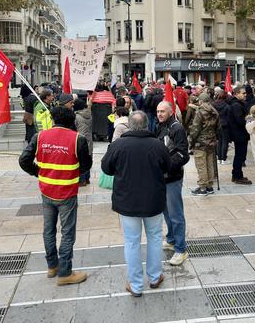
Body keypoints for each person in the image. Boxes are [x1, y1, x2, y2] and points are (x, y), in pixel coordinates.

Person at [19, 106, 92, 285]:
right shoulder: (78, 139)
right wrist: (73, 173)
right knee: (67, 233)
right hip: (67, 192)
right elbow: (86, 165)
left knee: (48, 230)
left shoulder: (40, 136)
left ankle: (52, 266)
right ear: (72, 122)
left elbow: (23, 160)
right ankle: (65, 273)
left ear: (52, 119)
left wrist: (39, 172)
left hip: (46, 190)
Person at [101, 111, 172, 296]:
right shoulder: (157, 145)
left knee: (132, 242)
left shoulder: (118, 145)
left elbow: (106, 167)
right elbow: (168, 166)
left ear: (130, 125)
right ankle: (155, 277)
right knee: (155, 238)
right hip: (153, 200)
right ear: (147, 124)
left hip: (128, 201)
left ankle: (136, 284)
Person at [155, 102, 190, 265]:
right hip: (162, 177)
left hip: (173, 177)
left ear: (170, 112)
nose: (159, 114)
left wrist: (166, 165)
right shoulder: (160, 126)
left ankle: (181, 250)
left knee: (176, 214)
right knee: (166, 212)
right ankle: (170, 238)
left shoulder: (177, 128)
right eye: (158, 111)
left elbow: (183, 154)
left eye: (162, 111)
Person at [188, 93, 220, 196]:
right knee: (209, 164)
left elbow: (195, 129)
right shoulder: (214, 111)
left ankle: (202, 188)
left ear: (201, 101)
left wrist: (191, 141)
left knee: (201, 165)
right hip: (211, 141)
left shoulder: (200, 112)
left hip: (200, 142)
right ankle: (209, 186)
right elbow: (218, 128)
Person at [228, 86, 252, 184]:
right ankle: (237, 176)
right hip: (239, 134)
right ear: (237, 94)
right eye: (243, 93)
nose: (245, 95)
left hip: (240, 133)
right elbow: (239, 120)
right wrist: (248, 119)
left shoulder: (238, 103)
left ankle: (237, 175)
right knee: (240, 156)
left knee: (240, 155)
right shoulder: (236, 105)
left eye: (245, 93)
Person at [74, 98, 93, 186]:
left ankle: (82, 180)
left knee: (81, 159)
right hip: (89, 139)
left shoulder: (76, 116)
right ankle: (87, 178)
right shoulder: (89, 114)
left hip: (80, 140)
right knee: (88, 158)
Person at [213, 91, 231, 164]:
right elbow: (229, 117)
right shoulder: (227, 106)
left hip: (217, 125)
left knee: (219, 141)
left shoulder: (214, 105)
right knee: (224, 142)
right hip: (225, 125)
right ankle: (223, 159)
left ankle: (219, 158)